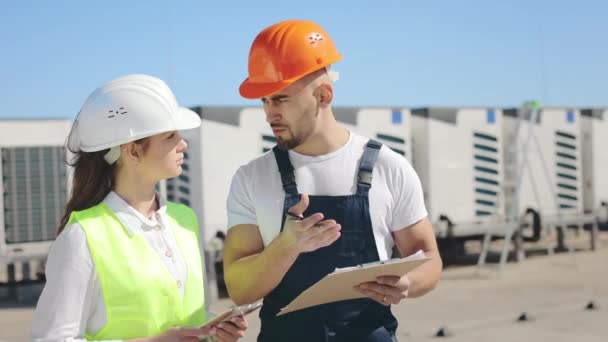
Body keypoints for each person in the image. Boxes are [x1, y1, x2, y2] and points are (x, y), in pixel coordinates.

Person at [223, 19, 443, 341]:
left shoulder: (389, 168)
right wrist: (287, 246)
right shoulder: (251, 178)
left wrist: (407, 284)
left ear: (324, 95)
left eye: (281, 99)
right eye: (264, 101)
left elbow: (430, 259)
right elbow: (240, 289)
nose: (270, 113)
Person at [31, 74, 247, 342]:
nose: (183, 144)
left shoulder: (184, 220)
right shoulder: (83, 237)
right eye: (170, 136)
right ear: (132, 151)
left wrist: (213, 331)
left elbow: (187, 317)